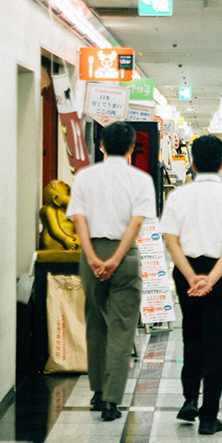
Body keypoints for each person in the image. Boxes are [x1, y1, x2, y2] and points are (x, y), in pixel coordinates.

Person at [160, 135, 222, 435]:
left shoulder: (177, 197)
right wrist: (211, 279)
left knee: (192, 334)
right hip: (220, 275)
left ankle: (189, 400)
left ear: (193, 163)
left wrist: (190, 277)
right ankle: (209, 417)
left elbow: (170, 241)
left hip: (186, 271)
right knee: (216, 342)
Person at [67, 121, 156, 421]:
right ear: (132, 147)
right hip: (124, 255)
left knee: (96, 322)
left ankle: (97, 391)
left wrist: (93, 257)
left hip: (91, 253)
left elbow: (79, 219)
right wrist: (117, 258)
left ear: (102, 145)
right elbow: (136, 223)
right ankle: (112, 401)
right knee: (122, 326)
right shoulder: (141, 179)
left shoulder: (84, 176)